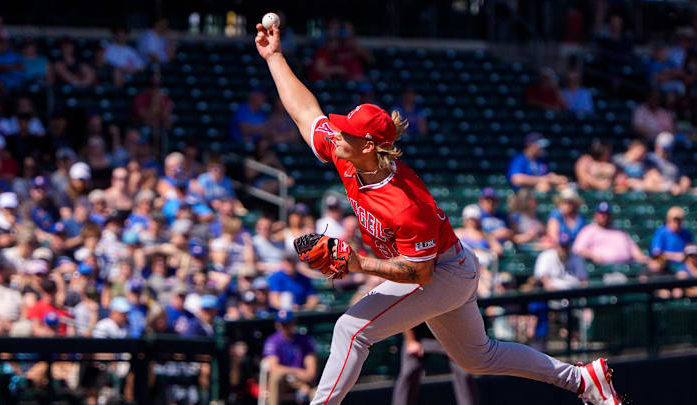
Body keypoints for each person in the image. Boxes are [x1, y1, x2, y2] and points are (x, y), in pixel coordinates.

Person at [255, 23, 621, 405]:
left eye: (346, 131)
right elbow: (305, 113)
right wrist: (275, 57)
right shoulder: (348, 154)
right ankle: (582, 379)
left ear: (368, 145)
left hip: (441, 270)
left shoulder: (406, 204)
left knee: (350, 329)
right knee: (480, 356)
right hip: (446, 264)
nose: (337, 133)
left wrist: (359, 263)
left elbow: (420, 273)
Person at [392, 323, 477, 405]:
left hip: (447, 336)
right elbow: (406, 316)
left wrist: (455, 343)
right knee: (409, 371)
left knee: (464, 372)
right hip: (418, 337)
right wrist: (411, 341)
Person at [263, 310, 317, 405]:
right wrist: (297, 372)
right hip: (285, 381)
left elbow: (310, 372)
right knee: (276, 377)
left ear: (294, 323)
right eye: (282, 324)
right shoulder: (273, 340)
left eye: (287, 324)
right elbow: (274, 368)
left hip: (302, 380)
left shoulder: (305, 340)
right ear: (277, 325)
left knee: (316, 394)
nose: (285, 327)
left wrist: (302, 384)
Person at [572, 202, 650, 266]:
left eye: (606, 214)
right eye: (601, 214)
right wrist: (593, 256)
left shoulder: (619, 231)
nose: (604, 216)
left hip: (627, 266)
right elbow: (578, 249)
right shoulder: (589, 230)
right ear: (595, 215)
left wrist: (643, 258)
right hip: (605, 270)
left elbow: (634, 250)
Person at [650, 206, 693, 273]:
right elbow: (656, 253)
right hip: (665, 264)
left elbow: (691, 252)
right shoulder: (661, 232)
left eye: (679, 221)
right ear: (668, 220)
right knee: (655, 264)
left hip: (683, 265)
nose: (676, 223)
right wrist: (675, 256)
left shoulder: (686, 234)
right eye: (674, 220)